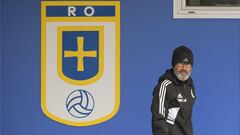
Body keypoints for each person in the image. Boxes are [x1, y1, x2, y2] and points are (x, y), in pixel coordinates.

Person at [151, 46, 196, 135]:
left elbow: (186, 120)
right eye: (181, 64)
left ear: (191, 67)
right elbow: (158, 118)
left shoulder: (190, 87)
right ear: (174, 65)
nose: (184, 68)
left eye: (187, 65)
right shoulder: (165, 86)